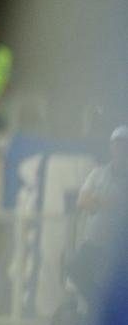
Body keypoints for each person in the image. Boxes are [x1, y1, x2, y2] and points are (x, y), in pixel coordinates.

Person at [69, 126, 128, 304]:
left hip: (120, 246)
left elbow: (121, 203)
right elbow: (82, 201)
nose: (120, 149)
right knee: (75, 270)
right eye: (117, 144)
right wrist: (108, 202)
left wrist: (99, 201)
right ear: (111, 147)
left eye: (124, 144)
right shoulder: (98, 173)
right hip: (94, 242)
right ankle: (100, 304)